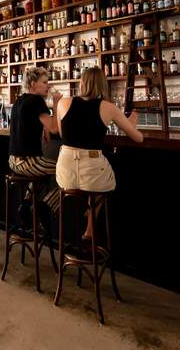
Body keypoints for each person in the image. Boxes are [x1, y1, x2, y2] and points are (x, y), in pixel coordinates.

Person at [55, 67, 143, 239]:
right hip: (92, 172)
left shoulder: (63, 103)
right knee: (102, 183)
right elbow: (138, 138)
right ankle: (90, 225)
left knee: (94, 182)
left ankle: (85, 218)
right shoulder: (108, 107)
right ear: (103, 86)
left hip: (65, 174)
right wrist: (132, 123)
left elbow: (62, 135)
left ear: (81, 83)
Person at [8, 67, 63, 223]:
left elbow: (33, 123)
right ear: (33, 84)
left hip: (13, 161)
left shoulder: (20, 100)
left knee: (44, 174)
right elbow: (54, 128)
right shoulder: (37, 101)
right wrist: (57, 102)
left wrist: (43, 128)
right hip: (28, 162)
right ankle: (45, 206)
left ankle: (26, 205)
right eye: (44, 82)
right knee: (68, 171)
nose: (48, 86)